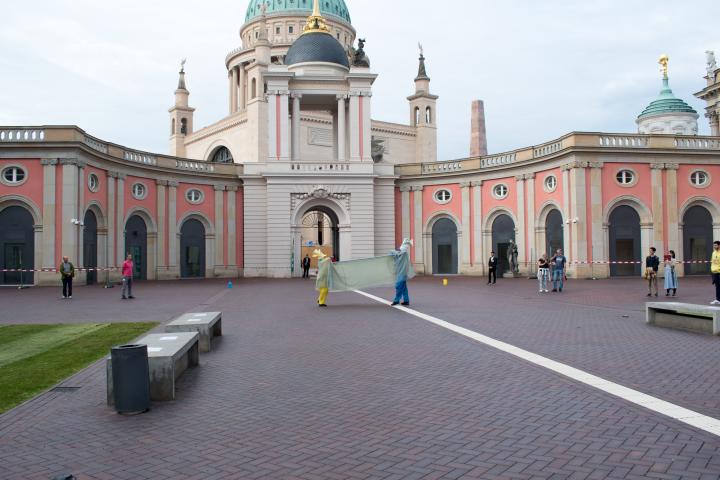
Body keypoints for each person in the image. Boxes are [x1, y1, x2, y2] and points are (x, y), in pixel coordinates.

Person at [391, 238, 413, 306]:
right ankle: (406, 300)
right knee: (403, 287)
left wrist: (394, 252)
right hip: (402, 272)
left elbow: (395, 252)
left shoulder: (403, 253)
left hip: (402, 273)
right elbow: (396, 253)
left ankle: (396, 300)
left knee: (398, 286)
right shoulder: (403, 253)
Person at [711, 241, 720, 305]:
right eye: (714, 245)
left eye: (716, 245)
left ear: (719, 246)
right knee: (717, 286)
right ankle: (717, 299)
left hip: (719, 272)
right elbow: (713, 262)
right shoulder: (713, 253)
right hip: (714, 272)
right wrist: (712, 269)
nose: (715, 246)